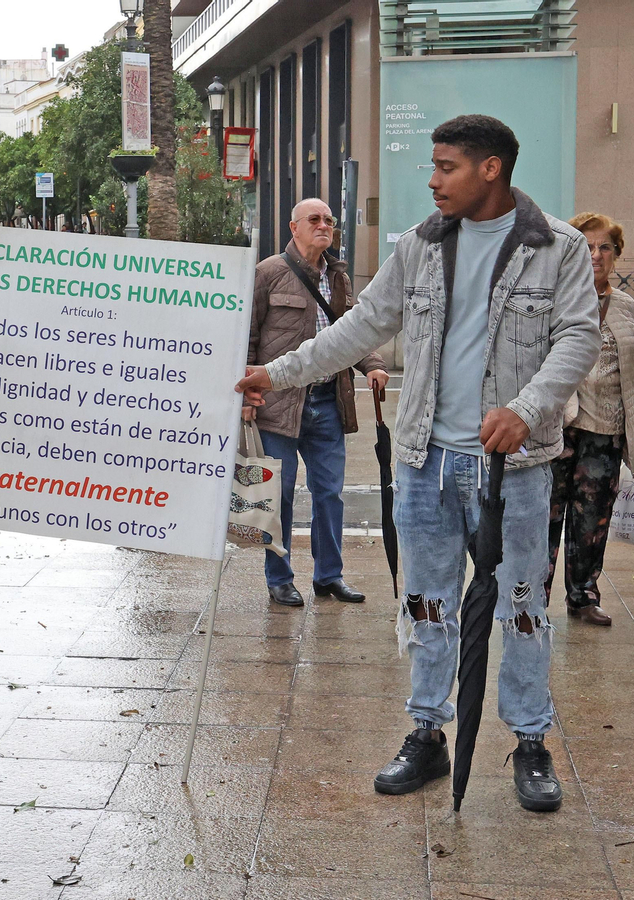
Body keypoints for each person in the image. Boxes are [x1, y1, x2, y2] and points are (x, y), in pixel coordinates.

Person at [236, 115, 600, 812]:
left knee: (523, 605)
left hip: (515, 467)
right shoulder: (420, 248)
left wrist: (524, 408)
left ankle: (530, 742)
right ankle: (427, 733)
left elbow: (578, 336)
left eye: (446, 166)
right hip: (426, 462)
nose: (432, 180)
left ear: (490, 169)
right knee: (425, 602)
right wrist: (275, 374)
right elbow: (360, 327)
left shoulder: (557, 246)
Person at [247, 197, 387, 608]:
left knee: (330, 493)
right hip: (279, 405)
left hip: (328, 401)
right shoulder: (269, 273)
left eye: (329, 219)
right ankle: (280, 577)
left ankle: (329, 575)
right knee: (282, 494)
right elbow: (248, 334)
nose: (324, 225)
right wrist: (246, 395)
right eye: (315, 219)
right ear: (294, 227)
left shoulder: (338, 277)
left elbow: (351, 333)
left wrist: (374, 365)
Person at [545, 213, 634, 628]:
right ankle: (531, 596)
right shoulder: (555, 298)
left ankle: (583, 596)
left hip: (605, 430)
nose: (596, 255)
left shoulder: (625, 306)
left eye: (605, 247)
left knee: (592, 521)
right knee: (546, 516)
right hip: (557, 427)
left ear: (616, 255)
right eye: (586, 246)